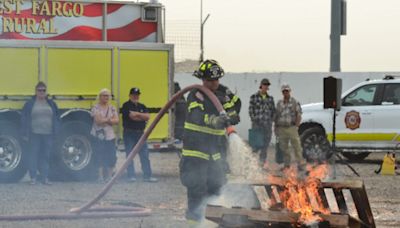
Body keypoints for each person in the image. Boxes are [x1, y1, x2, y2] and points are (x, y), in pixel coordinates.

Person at [180, 59, 241, 223]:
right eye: (210, 80)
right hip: (195, 154)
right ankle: (193, 225)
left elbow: (235, 104)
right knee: (196, 191)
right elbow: (196, 115)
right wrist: (214, 120)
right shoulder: (195, 94)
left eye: (216, 79)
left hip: (215, 153)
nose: (214, 83)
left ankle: (210, 223)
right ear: (203, 79)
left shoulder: (223, 93)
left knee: (216, 189)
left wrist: (233, 115)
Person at [21, 81, 60, 185]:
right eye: (40, 90)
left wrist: (56, 132)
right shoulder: (29, 104)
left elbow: (57, 117)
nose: (42, 92)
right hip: (34, 134)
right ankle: (33, 178)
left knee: (46, 156)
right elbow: (24, 119)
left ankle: (45, 178)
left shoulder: (51, 103)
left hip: (48, 134)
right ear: (36, 91)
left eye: (44, 90)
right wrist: (25, 133)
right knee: (33, 155)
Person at [121, 87, 158, 182]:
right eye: (133, 95)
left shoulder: (142, 106)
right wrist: (141, 117)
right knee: (130, 155)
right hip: (129, 133)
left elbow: (147, 117)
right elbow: (131, 117)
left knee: (145, 155)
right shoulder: (126, 105)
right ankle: (131, 176)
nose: (135, 96)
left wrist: (137, 114)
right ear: (130, 95)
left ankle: (147, 176)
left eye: (137, 95)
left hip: (141, 134)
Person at [274, 84, 306, 168]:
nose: (285, 93)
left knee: (297, 147)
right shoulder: (279, 103)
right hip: (281, 128)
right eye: (284, 91)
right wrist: (275, 128)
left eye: (287, 91)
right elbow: (276, 116)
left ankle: (300, 165)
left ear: (289, 91)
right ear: (282, 92)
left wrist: (296, 126)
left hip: (292, 127)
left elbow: (299, 114)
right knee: (284, 148)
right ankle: (287, 164)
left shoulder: (295, 102)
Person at [90, 88, 119, 183]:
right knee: (99, 155)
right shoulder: (95, 107)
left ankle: (109, 177)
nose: (106, 97)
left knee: (111, 155)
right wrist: (110, 120)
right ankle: (100, 177)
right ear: (100, 97)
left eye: (108, 95)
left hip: (110, 136)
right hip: (98, 135)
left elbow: (117, 121)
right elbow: (98, 121)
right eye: (104, 95)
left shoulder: (112, 108)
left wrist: (105, 120)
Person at [248, 78, 275, 165]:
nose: (266, 87)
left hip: (267, 125)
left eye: (267, 85)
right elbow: (251, 110)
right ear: (261, 86)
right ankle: (251, 165)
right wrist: (254, 120)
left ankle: (261, 164)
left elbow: (273, 111)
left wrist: (271, 120)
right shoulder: (254, 97)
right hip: (257, 125)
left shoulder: (270, 99)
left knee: (265, 146)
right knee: (255, 146)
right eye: (264, 85)